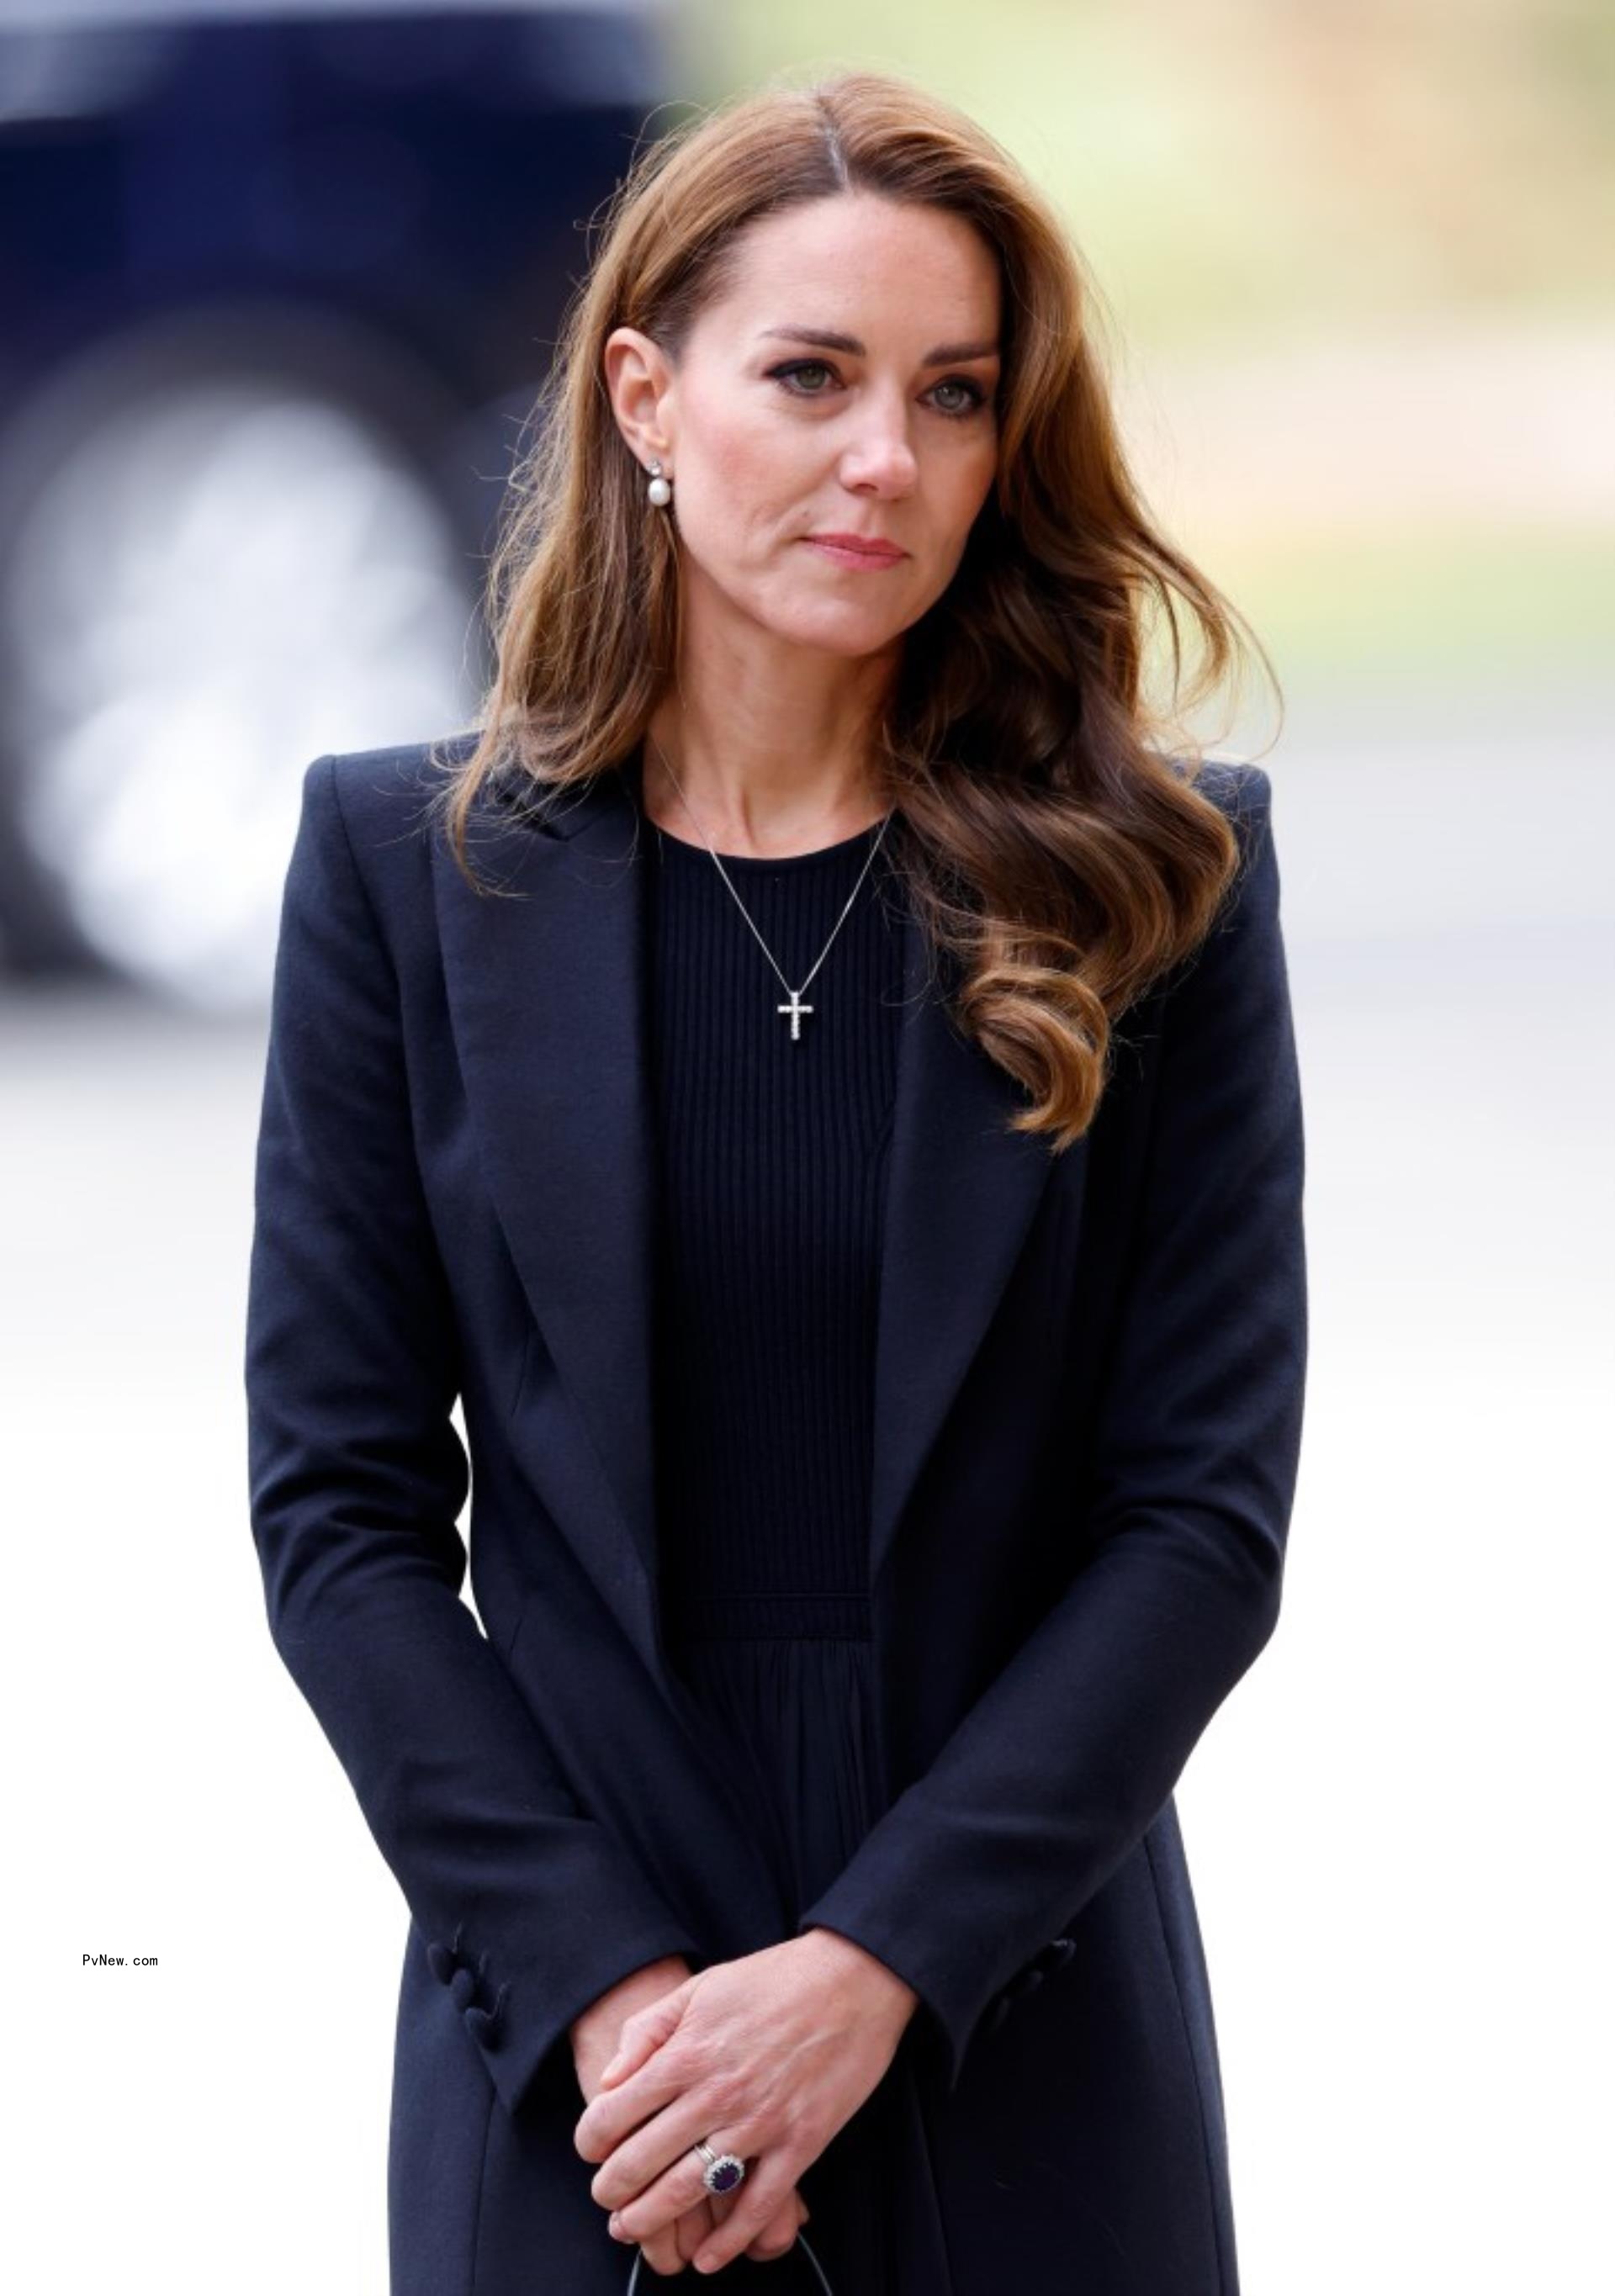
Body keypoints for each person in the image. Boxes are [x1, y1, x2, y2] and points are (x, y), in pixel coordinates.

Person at [245, 67, 1306, 2296]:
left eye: (952, 394)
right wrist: (623, 2006)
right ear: (645, 391)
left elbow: (1197, 1521)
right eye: (809, 376)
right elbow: (340, 1515)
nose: (885, 461)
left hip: (1021, 2014)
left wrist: (875, 1971)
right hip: (577, 2055)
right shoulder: (400, 875)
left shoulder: (1162, 882)